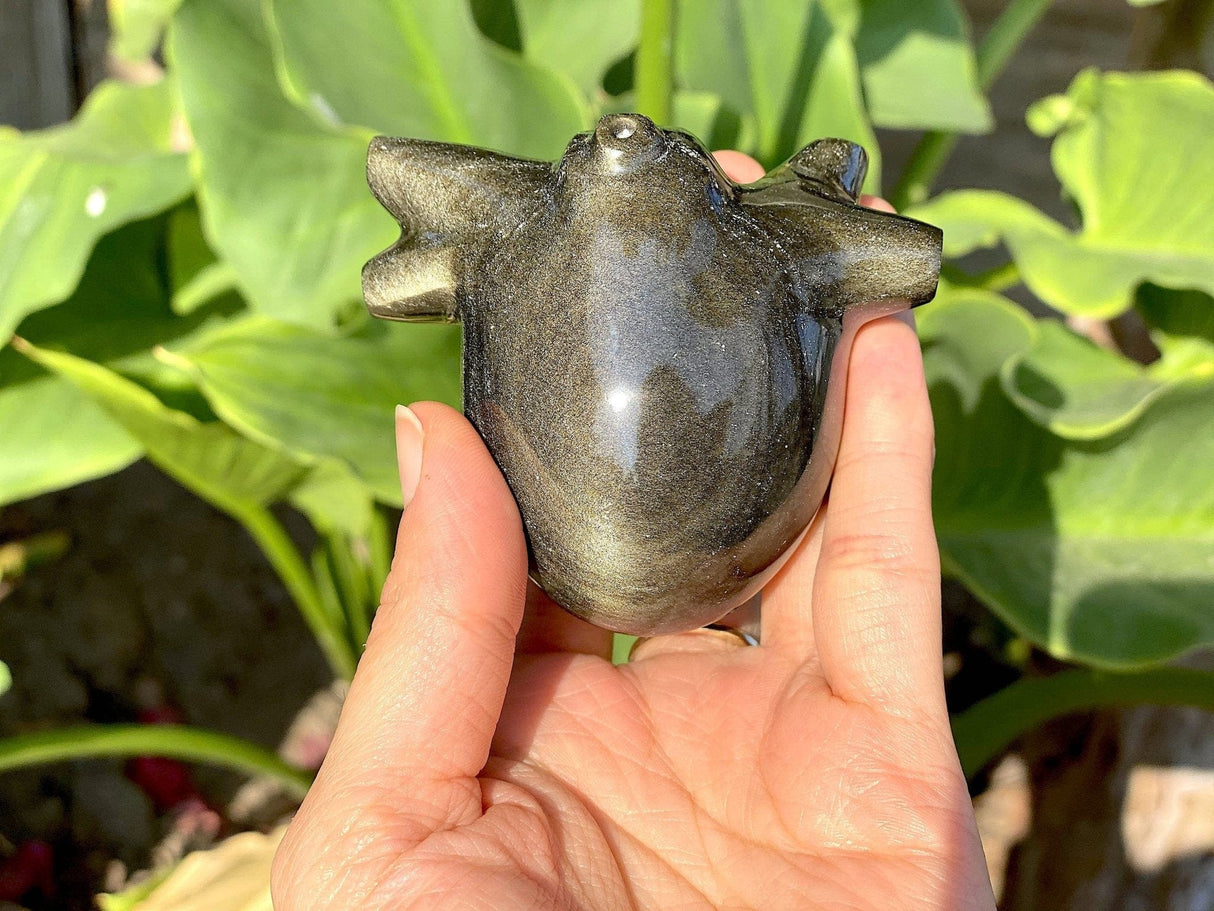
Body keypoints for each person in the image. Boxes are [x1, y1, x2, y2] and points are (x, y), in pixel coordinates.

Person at [271, 152, 998, 910]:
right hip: (643, 551)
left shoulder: (747, 243)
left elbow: (907, 255)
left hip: (709, 537)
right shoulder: (539, 233)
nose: (627, 135)